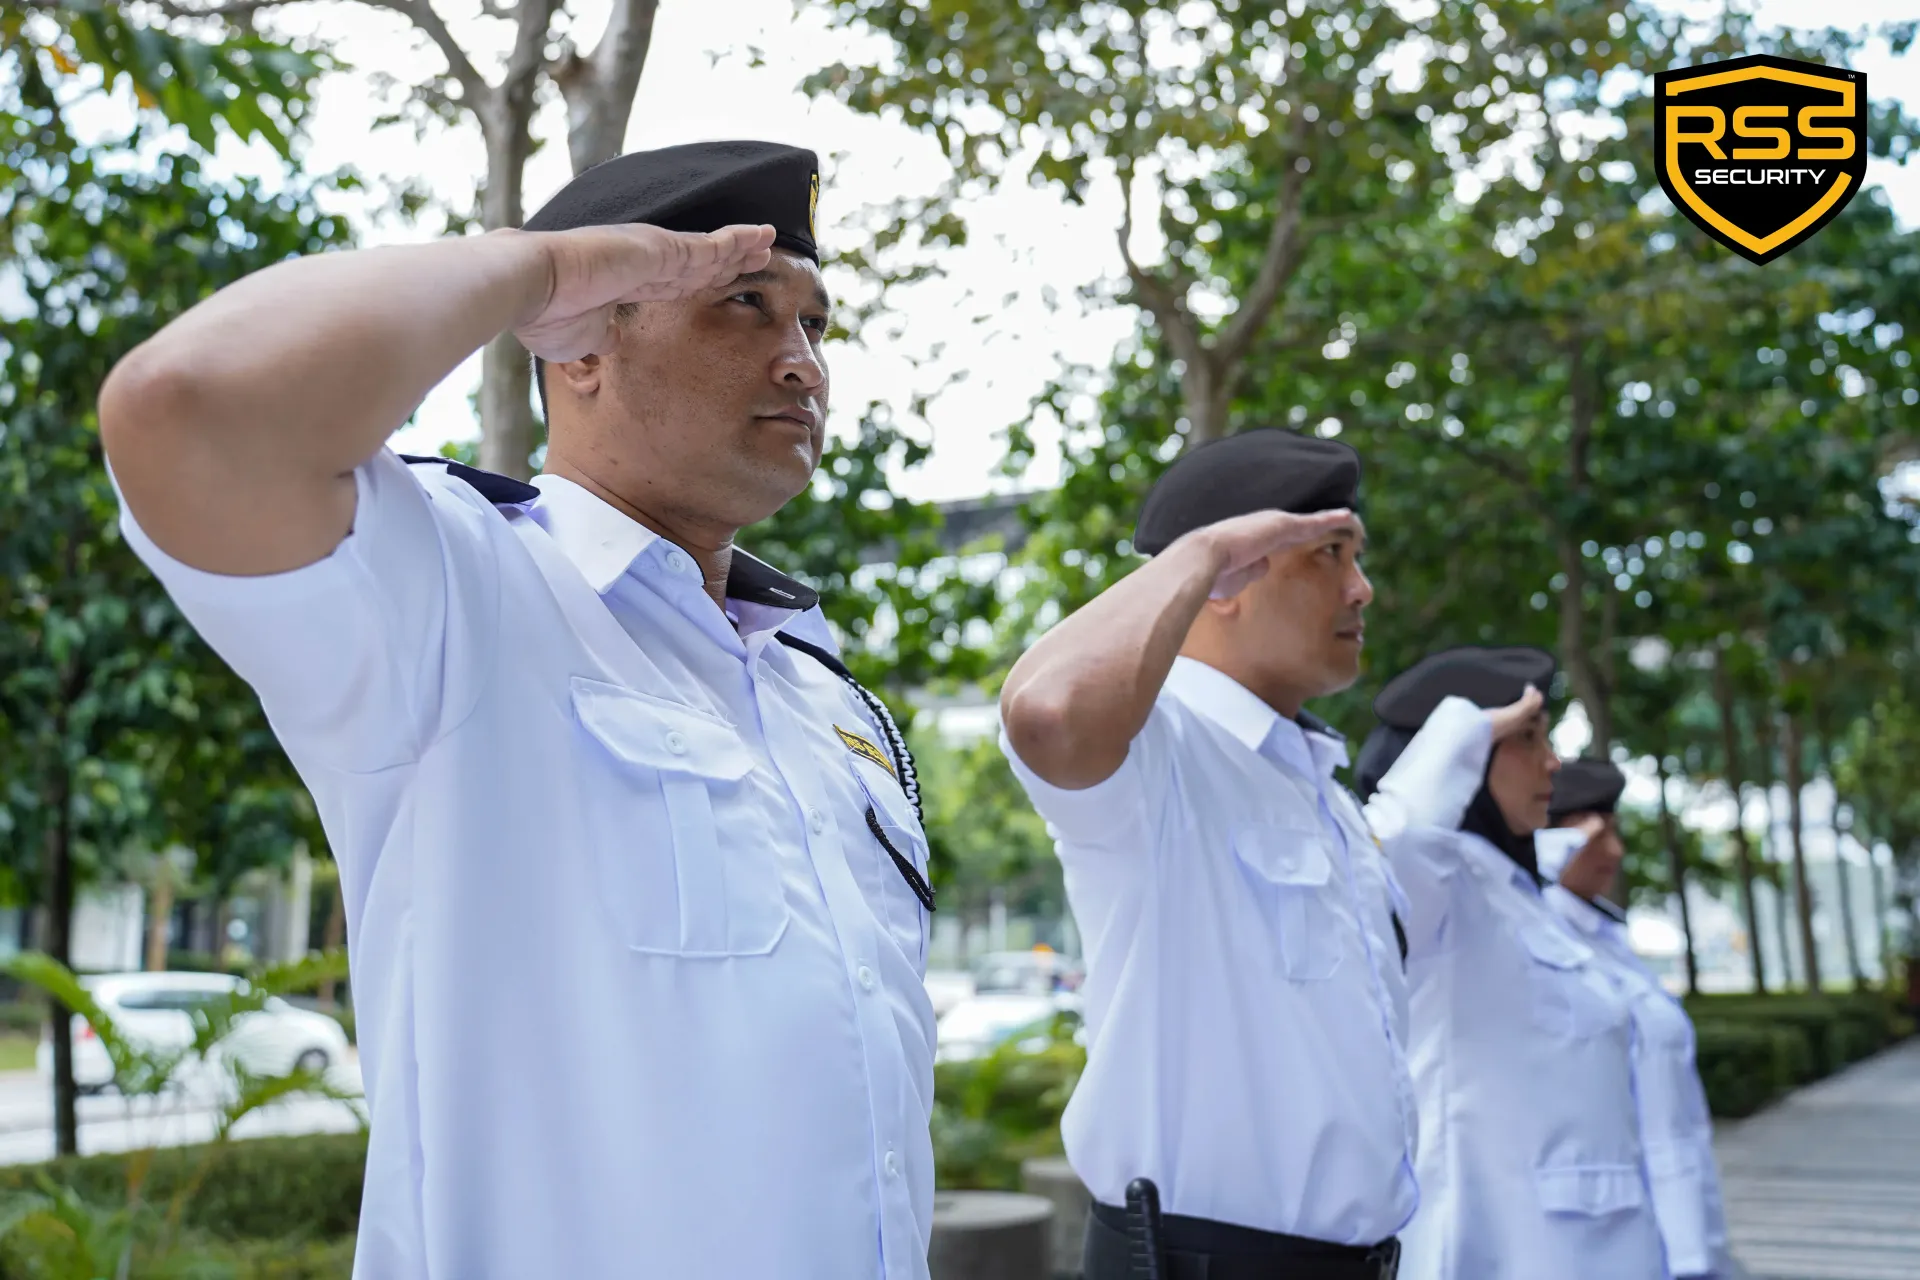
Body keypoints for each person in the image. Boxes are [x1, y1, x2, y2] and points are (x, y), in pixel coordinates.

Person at [100, 142, 937, 1279]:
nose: (803, 365)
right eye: (746, 305)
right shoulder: (458, 587)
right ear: (584, 344)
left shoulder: (815, 690)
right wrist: (541, 268)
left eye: (816, 325)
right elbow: (187, 405)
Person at [998, 428, 1532, 1280]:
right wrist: (1198, 552)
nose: (1362, 588)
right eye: (1328, 553)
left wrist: (1482, 730)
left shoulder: (1319, 788)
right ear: (1230, 579)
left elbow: (1415, 828)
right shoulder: (1159, 758)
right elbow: (1049, 713)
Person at [1353, 647, 1669, 1280]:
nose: (1552, 761)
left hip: (1593, 1246)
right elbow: (1398, 840)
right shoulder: (1441, 894)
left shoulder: (1512, 893)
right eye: (1527, 739)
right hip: (1494, 1248)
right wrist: (1469, 727)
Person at [1539, 759, 1745, 1280]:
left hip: (1686, 1226)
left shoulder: (1609, 939)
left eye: (1613, 832)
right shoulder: (1536, 943)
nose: (1613, 852)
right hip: (1609, 1237)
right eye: (1591, 835)